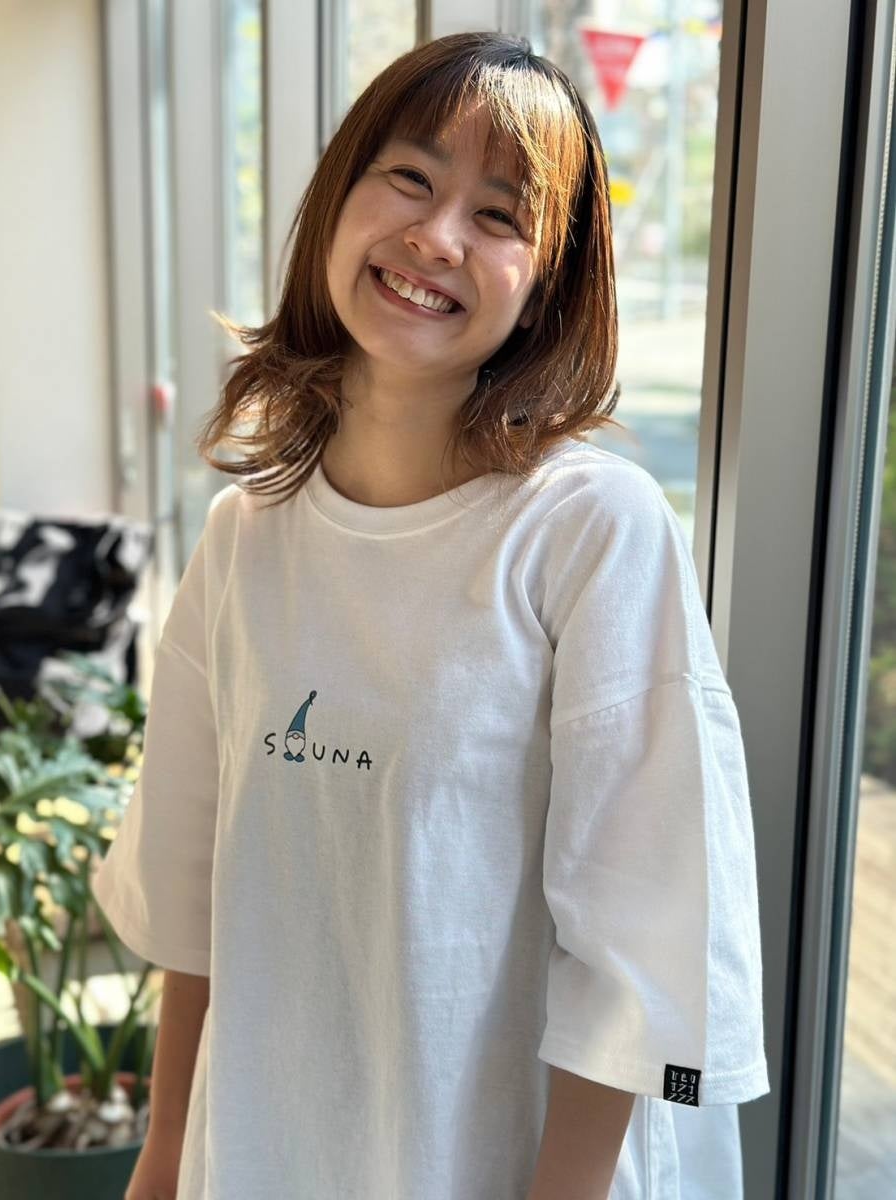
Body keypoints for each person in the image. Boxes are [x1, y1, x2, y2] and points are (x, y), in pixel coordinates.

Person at [92, 31, 770, 1200]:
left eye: (499, 216)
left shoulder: (590, 529)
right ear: (338, 197)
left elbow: (644, 948)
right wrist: (162, 1158)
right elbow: (194, 895)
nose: (437, 236)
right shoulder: (245, 535)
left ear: (546, 283)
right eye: (410, 177)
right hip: (268, 1148)